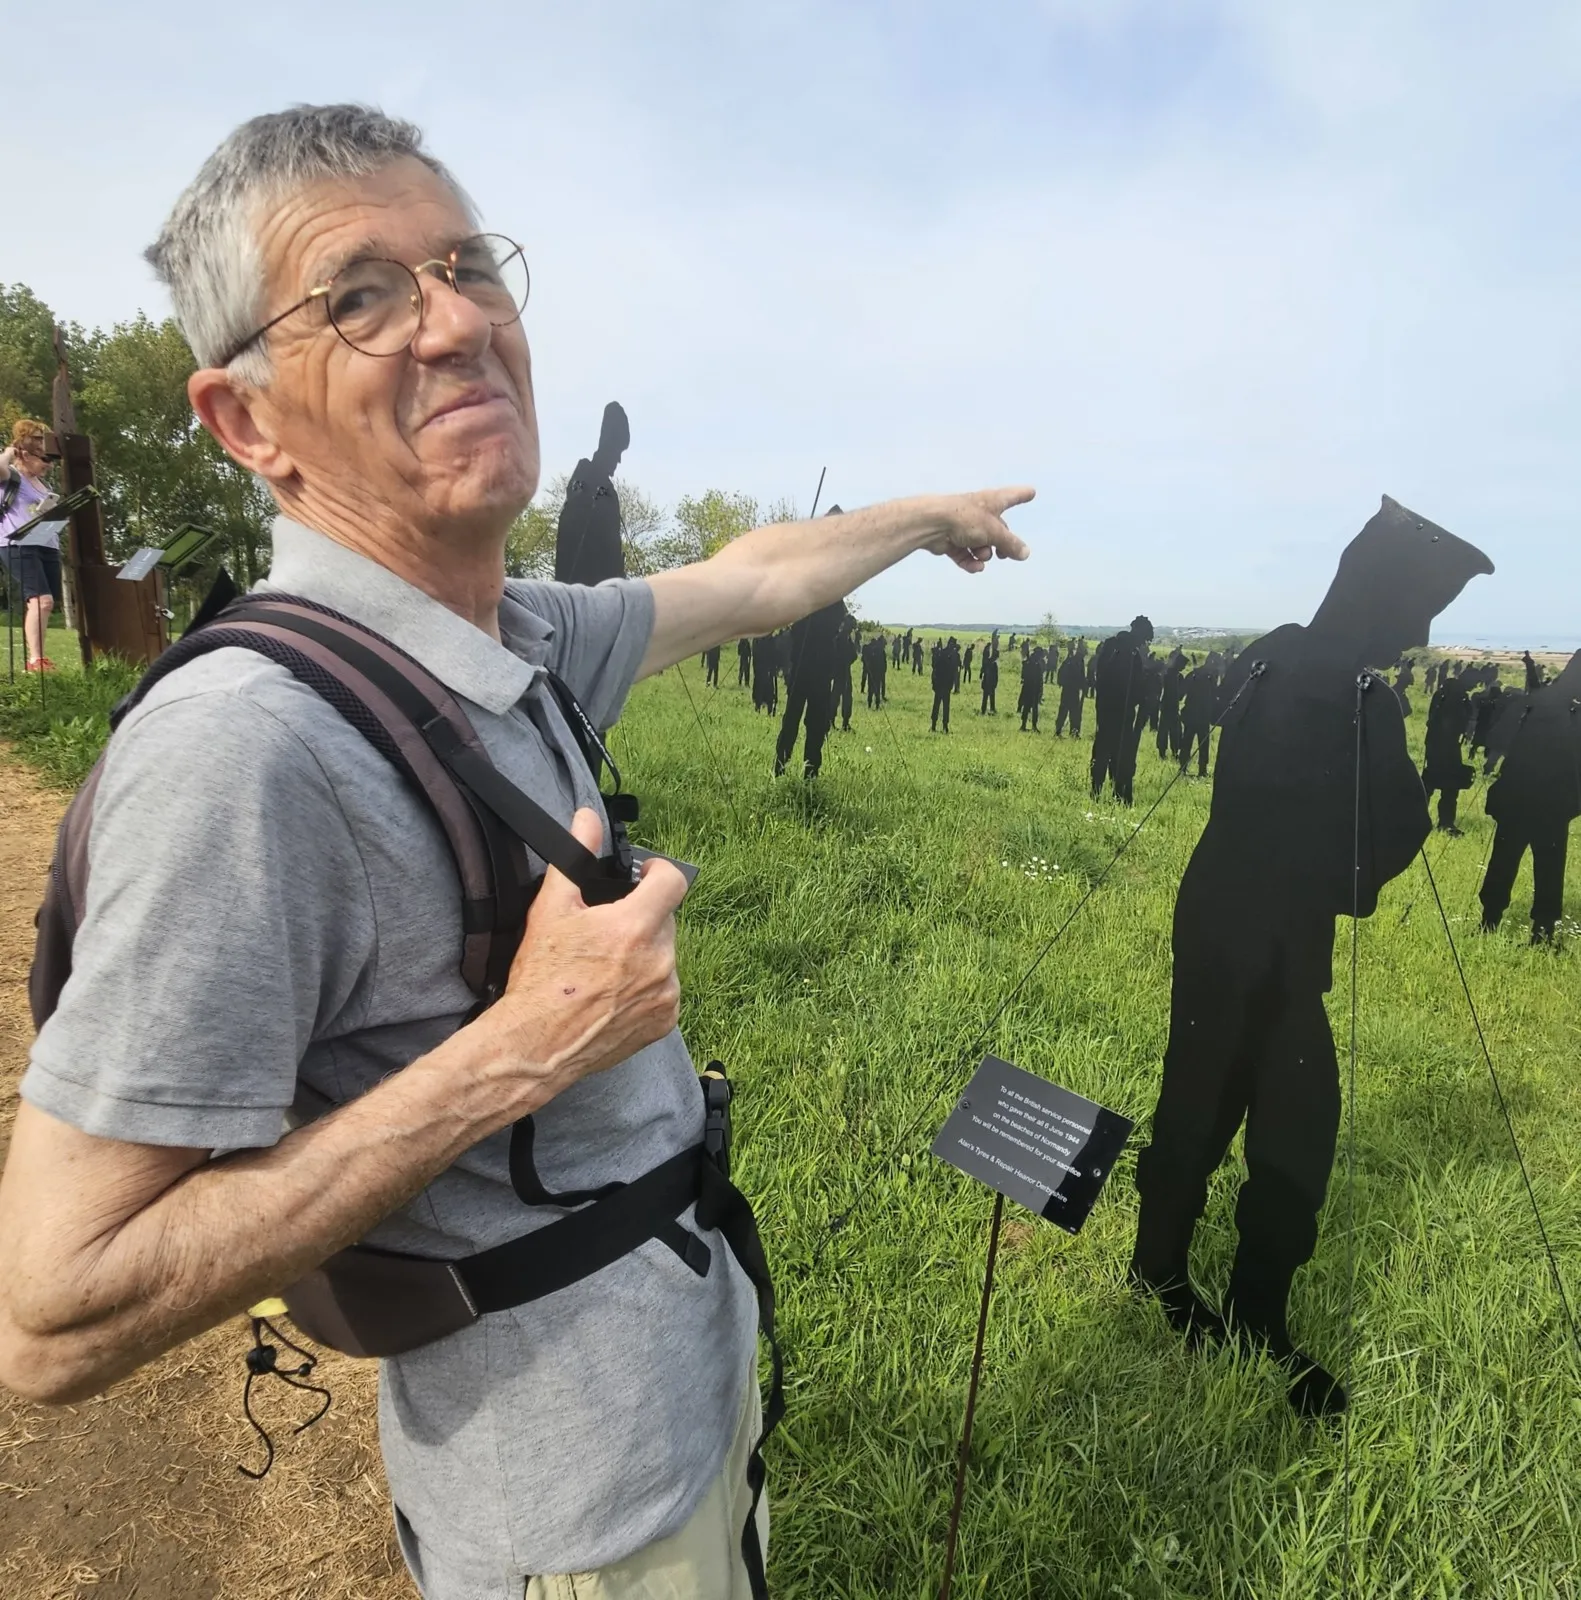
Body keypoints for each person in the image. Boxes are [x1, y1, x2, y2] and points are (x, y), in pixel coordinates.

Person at [0, 105, 1034, 1600]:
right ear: (246, 422)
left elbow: (750, 579)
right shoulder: (249, 748)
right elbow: (53, 1311)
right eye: (360, 296)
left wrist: (924, 517)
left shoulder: (515, 633)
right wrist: (527, 1045)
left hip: (677, 1406)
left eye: (468, 266)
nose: (456, 323)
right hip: (571, 1521)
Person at [1129, 497, 1492, 1418]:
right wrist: (1351, 871)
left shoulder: (1273, 652)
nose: (1417, 636)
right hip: (1271, 937)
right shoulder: (1360, 694)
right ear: (1381, 599)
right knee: (1286, 1119)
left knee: (1206, 1089)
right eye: (1417, 611)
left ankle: (1168, 1271)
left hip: (1220, 916)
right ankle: (1233, 1306)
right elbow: (1393, 831)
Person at [1479, 650, 1581, 943]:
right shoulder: (1572, 712)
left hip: (1518, 798)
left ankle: (1490, 922)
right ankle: (1542, 932)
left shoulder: (1534, 701)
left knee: (1503, 860)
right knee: (1549, 867)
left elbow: (1500, 740)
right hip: (1552, 803)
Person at [0, 419, 66, 673]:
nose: (49, 465)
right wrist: (9, 452)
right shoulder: (11, 475)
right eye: (44, 459)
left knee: (48, 602)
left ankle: (40, 658)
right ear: (25, 454)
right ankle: (36, 661)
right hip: (18, 544)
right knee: (41, 600)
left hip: (47, 543)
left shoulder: (44, 485)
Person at [1090, 615, 1153, 803]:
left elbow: (1136, 685)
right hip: (1113, 710)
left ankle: (1117, 793)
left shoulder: (1130, 653)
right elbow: (1104, 678)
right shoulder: (1117, 648)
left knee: (1120, 754)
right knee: (1107, 752)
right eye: (1143, 639)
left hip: (1121, 712)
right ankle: (1099, 791)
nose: (1143, 644)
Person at [1420, 666, 1474, 833]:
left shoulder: (1441, 698)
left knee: (1432, 785)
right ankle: (1445, 823)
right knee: (1449, 788)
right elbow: (1458, 723)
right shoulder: (1456, 700)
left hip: (1435, 747)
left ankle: (1423, 818)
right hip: (1448, 748)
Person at [929, 635, 961, 732]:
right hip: (942, 684)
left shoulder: (945, 653)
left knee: (940, 705)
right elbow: (935, 667)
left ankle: (941, 726)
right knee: (940, 705)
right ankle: (938, 725)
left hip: (944, 684)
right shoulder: (945, 654)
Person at [1054, 640, 1085, 736]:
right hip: (1071, 689)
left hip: (1071, 689)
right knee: (1070, 711)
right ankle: (1062, 731)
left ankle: (1071, 731)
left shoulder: (1072, 660)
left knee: (1069, 711)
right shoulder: (1072, 660)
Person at [1018, 644, 1046, 730]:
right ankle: (1028, 725)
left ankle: (1027, 725)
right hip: (1031, 688)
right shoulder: (1033, 663)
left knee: (1029, 707)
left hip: (1031, 688)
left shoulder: (1030, 662)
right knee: (1031, 708)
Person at [979, 640, 999, 715]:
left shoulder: (987, 662)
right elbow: (995, 676)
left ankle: (983, 710)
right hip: (991, 683)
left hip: (986, 682)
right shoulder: (994, 664)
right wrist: (995, 683)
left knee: (985, 697)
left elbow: (983, 670)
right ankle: (991, 709)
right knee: (991, 697)